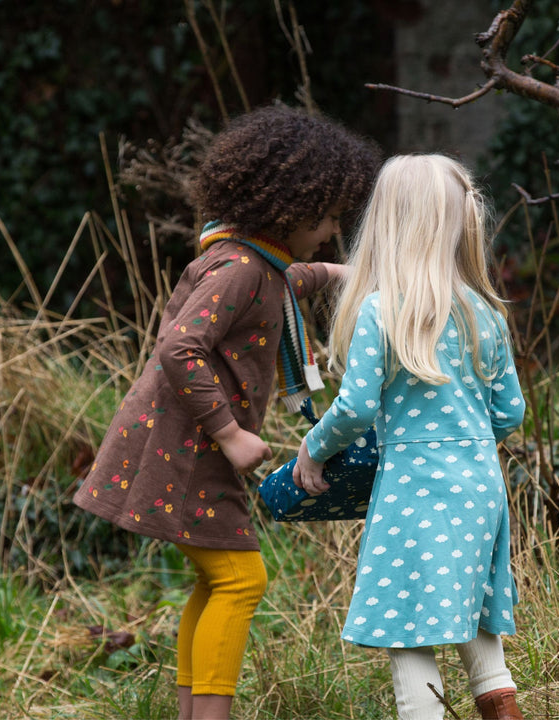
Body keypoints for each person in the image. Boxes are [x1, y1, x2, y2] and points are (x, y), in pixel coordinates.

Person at [73, 104, 380, 720]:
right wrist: (232, 433)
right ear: (288, 210)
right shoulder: (239, 269)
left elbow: (290, 283)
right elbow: (179, 347)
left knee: (217, 579)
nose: (328, 231)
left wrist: (349, 273)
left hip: (185, 447)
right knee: (241, 580)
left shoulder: (253, 262)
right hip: (187, 449)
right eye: (325, 219)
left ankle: (194, 713)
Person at [293, 154, 526, 720]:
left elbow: (355, 408)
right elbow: (510, 412)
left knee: (409, 631)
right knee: (470, 615)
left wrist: (313, 448)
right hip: (479, 488)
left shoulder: (381, 311)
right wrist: (463, 439)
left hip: (413, 492)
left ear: (388, 223)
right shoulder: (485, 314)